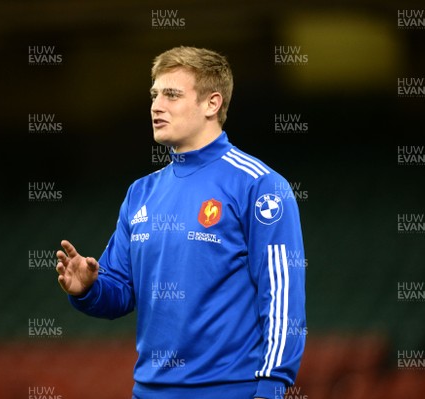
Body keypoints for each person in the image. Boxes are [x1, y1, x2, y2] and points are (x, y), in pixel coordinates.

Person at [56, 46, 306, 399]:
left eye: (172, 94)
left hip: (232, 392)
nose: (157, 105)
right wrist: (88, 289)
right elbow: (121, 293)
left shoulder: (260, 185)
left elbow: (282, 297)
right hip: (149, 392)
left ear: (212, 104)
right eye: (155, 94)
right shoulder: (140, 193)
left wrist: (272, 387)